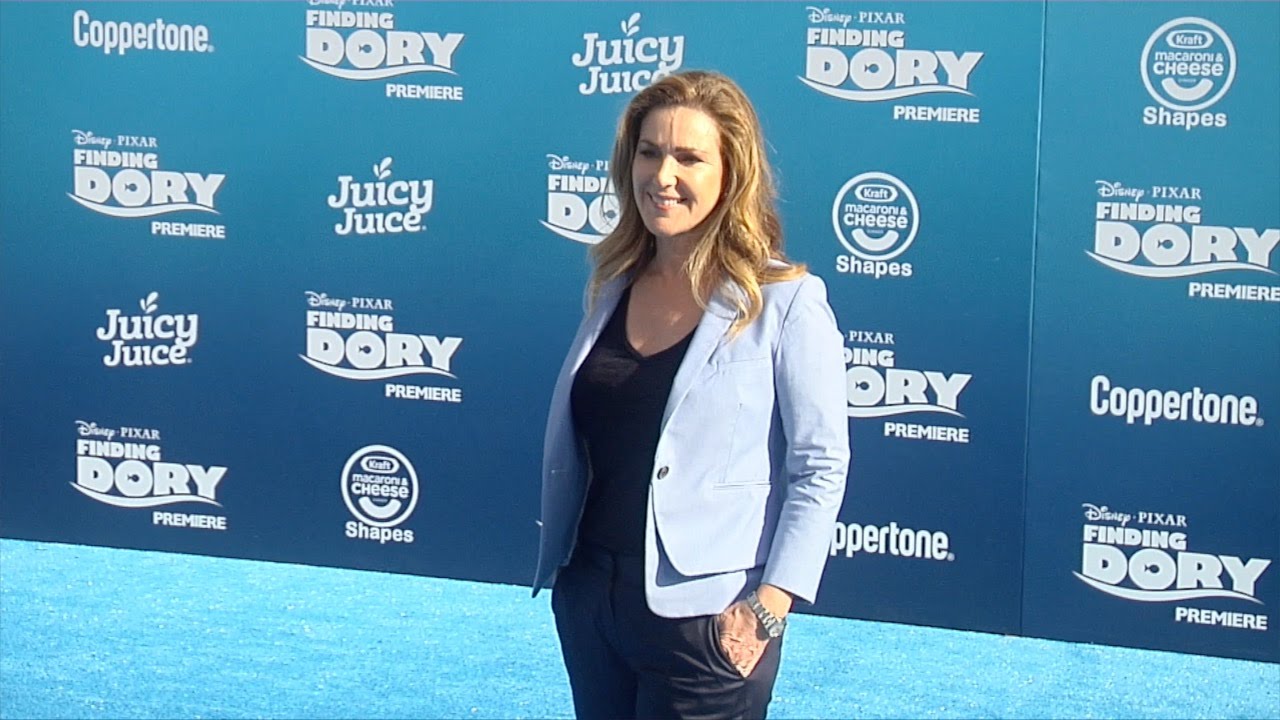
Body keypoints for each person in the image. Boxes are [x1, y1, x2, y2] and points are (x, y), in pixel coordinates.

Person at [532, 70, 850, 720]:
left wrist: (770, 605)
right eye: (649, 152)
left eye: (689, 157)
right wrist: (575, 585)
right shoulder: (615, 284)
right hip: (593, 599)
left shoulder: (785, 300)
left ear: (731, 174)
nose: (663, 175)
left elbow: (820, 464)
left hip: (709, 621)